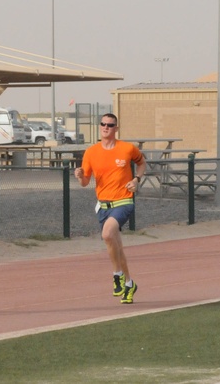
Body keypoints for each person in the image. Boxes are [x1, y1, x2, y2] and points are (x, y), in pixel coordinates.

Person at [74, 113, 146, 304]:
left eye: (110, 125)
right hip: (103, 205)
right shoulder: (91, 152)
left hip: (123, 201)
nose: (106, 127)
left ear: (116, 128)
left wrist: (136, 179)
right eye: (103, 124)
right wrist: (80, 176)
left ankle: (117, 276)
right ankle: (130, 284)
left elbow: (141, 163)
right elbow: (85, 182)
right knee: (117, 246)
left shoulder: (127, 148)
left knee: (107, 234)